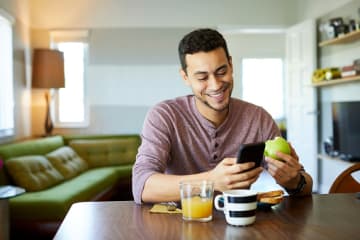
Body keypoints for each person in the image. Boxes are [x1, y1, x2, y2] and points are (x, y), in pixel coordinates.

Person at [132, 28, 313, 204]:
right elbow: (141, 186)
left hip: (239, 223)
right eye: (202, 77)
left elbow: (306, 185)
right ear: (185, 77)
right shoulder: (165, 116)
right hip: (179, 224)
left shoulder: (258, 118)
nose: (216, 85)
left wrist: (294, 180)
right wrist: (210, 181)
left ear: (231, 65)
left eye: (221, 72)